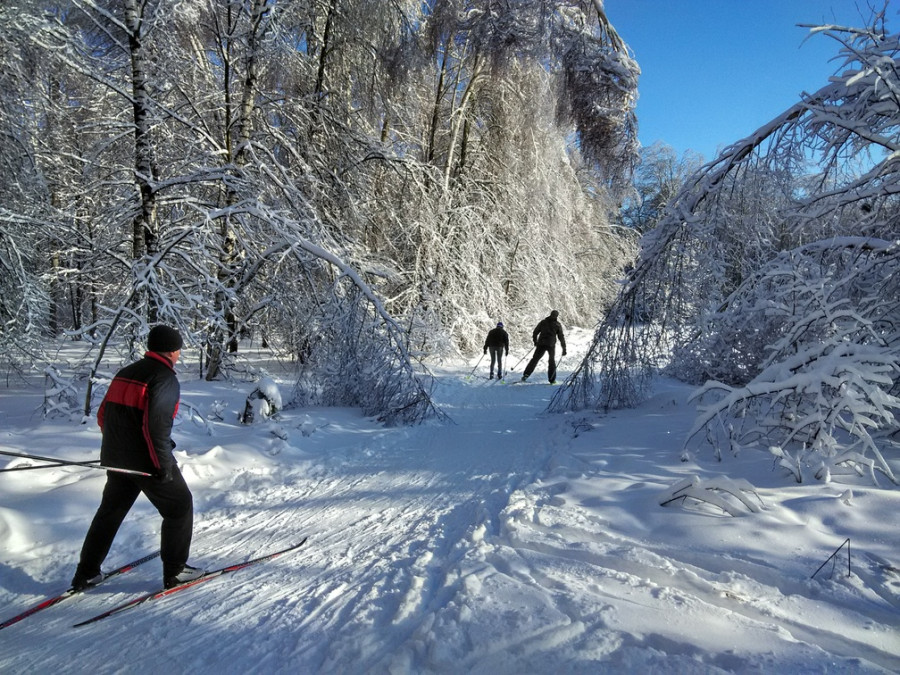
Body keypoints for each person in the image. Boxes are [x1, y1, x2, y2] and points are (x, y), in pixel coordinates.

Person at [71, 325, 204, 591]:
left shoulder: (126, 372)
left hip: (117, 458)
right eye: (178, 349)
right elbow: (155, 427)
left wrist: (120, 448)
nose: (179, 354)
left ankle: (86, 573)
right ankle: (176, 572)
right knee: (179, 506)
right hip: (147, 462)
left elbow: (103, 416)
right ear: (173, 350)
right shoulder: (164, 378)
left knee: (110, 513)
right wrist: (163, 465)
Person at [521, 310, 567, 384]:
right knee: (551, 361)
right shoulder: (557, 324)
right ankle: (552, 379)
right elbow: (561, 337)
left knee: (535, 359)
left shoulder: (543, 322)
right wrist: (564, 348)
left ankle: (526, 375)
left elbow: (535, 332)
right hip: (550, 345)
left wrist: (535, 341)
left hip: (541, 344)